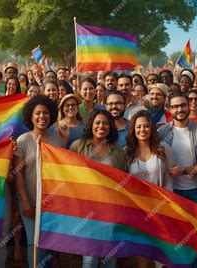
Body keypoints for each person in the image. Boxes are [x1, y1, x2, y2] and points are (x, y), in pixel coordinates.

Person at [158, 91, 197, 267]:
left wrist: (185, 170)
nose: (180, 109)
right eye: (175, 106)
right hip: (172, 193)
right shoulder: (161, 132)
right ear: (170, 109)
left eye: (183, 105)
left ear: (188, 105)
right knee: (175, 236)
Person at [70, 110, 127, 268]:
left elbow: (125, 180)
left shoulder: (118, 152)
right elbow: (68, 176)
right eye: (97, 123)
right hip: (87, 211)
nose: (101, 126)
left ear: (110, 127)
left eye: (105, 123)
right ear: (91, 125)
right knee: (89, 259)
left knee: (110, 258)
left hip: (111, 211)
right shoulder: (78, 146)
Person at [15, 95, 64, 268]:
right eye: (37, 113)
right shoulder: (23, 140)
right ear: (31, 116)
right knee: (33, 242)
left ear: (51, 115)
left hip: (52, 203)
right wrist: (25, 201)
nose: (42, 116)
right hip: (29, 201)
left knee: (49, 242)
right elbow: (18, 173)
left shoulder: (58, 141)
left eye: (45, 113)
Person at [125, 110, 175, 267]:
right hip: (138, 208)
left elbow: (169, 178)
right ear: (133, 129)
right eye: (138, 126)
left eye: (146, 126)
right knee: (142, 247)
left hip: (160, 206)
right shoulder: (127, 152)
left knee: (161, 248)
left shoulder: (164, 149)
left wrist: (167, 204)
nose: (142, 130)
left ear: (152, 128)